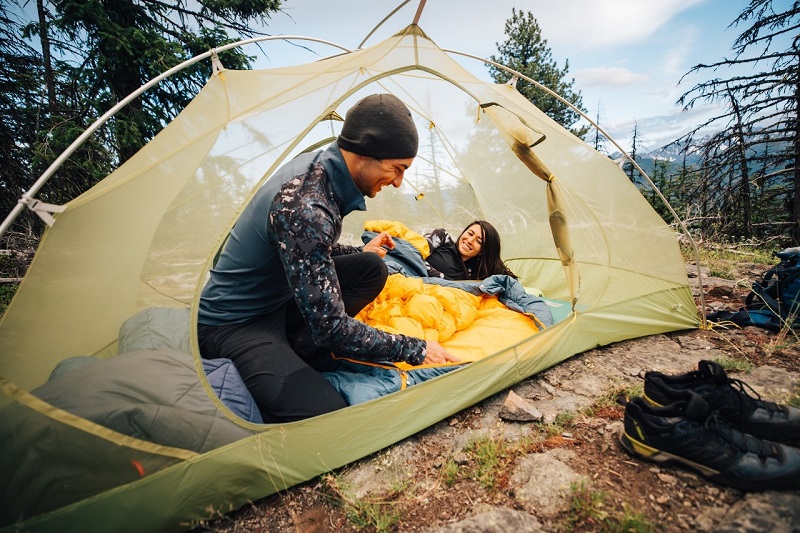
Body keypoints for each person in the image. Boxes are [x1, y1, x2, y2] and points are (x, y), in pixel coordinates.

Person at [197, 93, 460, 423]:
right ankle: (277, 359)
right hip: (235, 323)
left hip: (279, 299)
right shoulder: (305, 205)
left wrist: (358, 251)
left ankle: (300, 347)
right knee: (326, 415)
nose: (397, 182)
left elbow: (309, 251)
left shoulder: (323, 171)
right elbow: (331, 327)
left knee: (370, 267)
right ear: (367, 150)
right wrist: (417, 349)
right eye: (397, 168)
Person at [424, 220, 517, 281]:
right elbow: (415, 251)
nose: (469, 241)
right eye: (470, 233)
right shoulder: (442, 237)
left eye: (479, 241)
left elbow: (509, 281)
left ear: (482, 251)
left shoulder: (472, 273)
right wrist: (441, 277)